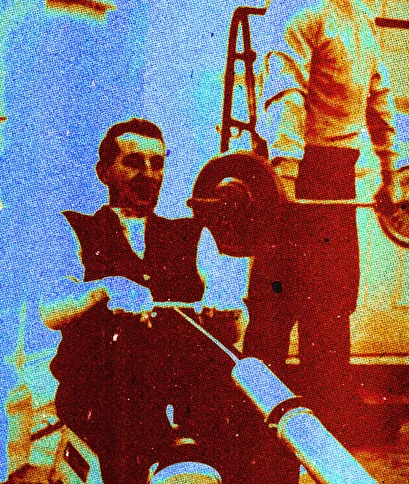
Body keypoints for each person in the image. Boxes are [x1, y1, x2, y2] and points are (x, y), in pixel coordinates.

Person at [38, 119, 283, 484]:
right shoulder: (74, 228)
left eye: (157, 163)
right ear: (104, 173)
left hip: (182, 389)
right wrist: (104, 288)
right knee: (130, 420)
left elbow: (235, 332)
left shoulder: (192, 233)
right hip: (102, 389)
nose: (148, 175)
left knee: (254, 425)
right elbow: (50, 310)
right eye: (134, 162)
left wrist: (229, 311)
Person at [252, 0, 399, 443]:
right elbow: (284, 96)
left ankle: (329, 414)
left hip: (336, 172)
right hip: (293, 173)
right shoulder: (297, 8)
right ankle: (253, 421)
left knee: (334, 299)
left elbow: (377, 96)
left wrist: (390, 172)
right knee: (275, 304)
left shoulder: (359, 13)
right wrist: (285, 178)